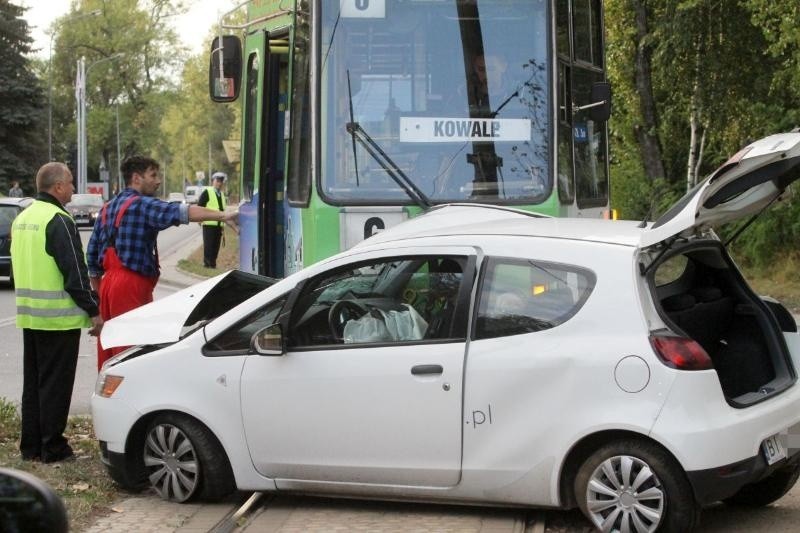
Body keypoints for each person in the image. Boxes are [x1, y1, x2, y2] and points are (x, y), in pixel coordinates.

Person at [87, 155, 238, 370]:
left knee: (111, 353)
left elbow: (92, 261)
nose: (158, 181)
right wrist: (223, 215)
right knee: (132, 357)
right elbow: (182, 213)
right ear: (137, 178)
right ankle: (133, 401)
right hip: (130, 286)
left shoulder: (106, 209)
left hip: (107, 286)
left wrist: (100, 301)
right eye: (153, 175)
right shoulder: (142, 205)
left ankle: (108, 398)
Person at [10, 162, 103, 463]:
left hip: (30, 316)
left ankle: (31, 447)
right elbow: (75, 272)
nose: (74, 189)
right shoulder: (59, 220)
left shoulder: (23, 218)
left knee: (34, 385)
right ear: (58, 186)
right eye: (71, 183)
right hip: (57, 319)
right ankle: (54, 448)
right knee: (56, 386)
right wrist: (94, 310)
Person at [197, 172, 228, 268]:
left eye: (221, 182)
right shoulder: (207, 192)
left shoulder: (222, 194)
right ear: (213, 181)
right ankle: (207, 264)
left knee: (216, 246)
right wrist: (199, 219)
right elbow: (200, 205)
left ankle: (213, 264)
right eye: (217, 181)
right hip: (209, 224)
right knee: (208, 245)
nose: (219, 183)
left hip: (219, 225)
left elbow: (222, 209)